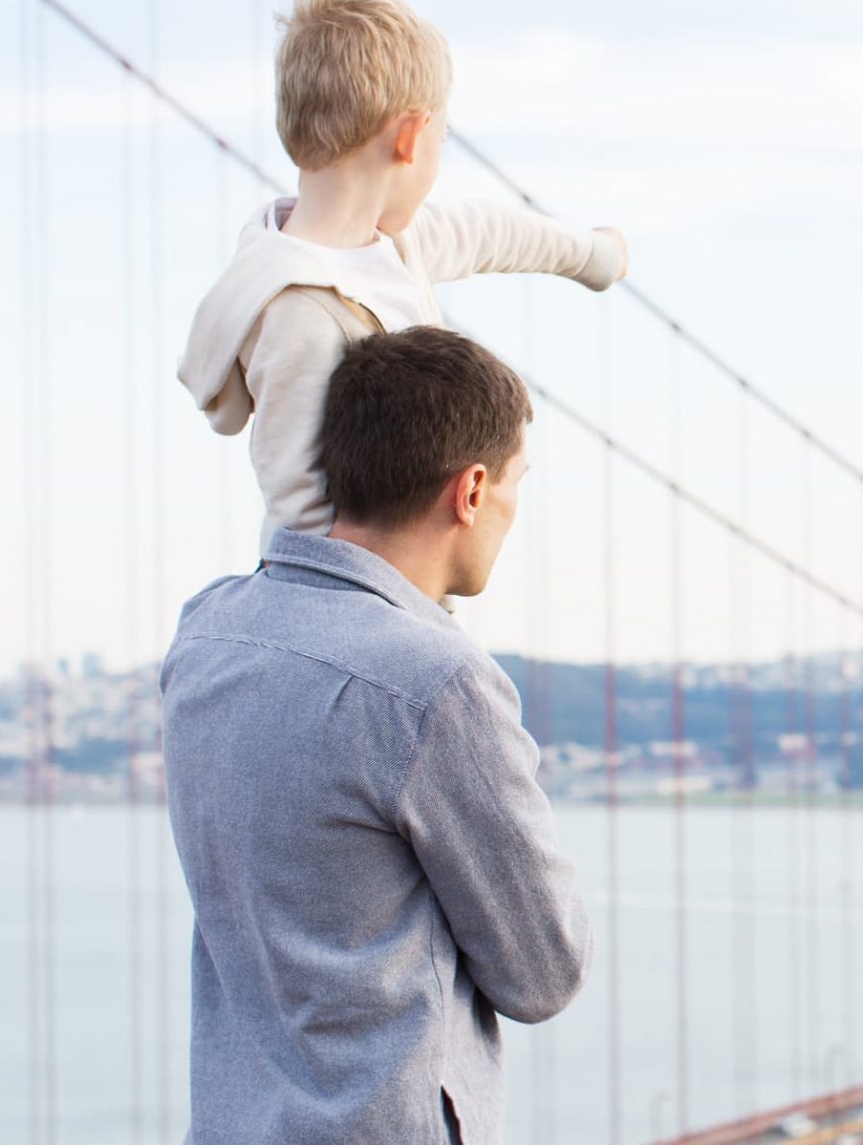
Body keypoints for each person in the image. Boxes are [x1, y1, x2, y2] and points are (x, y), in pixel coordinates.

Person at [161, 327, 588, 1143]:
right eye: (514, 483)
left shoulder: (205, 634)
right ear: (470, 491)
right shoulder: (436, 686)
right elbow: (544, 972)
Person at [176, 0, 627, 546]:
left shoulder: (391, 241)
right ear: (411, 137)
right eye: (442, 139)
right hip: (343, 601)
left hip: (399, 580)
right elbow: (301, 507)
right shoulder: (298, 309)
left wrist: (592, 256)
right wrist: (400, 602)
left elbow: (493, 233)